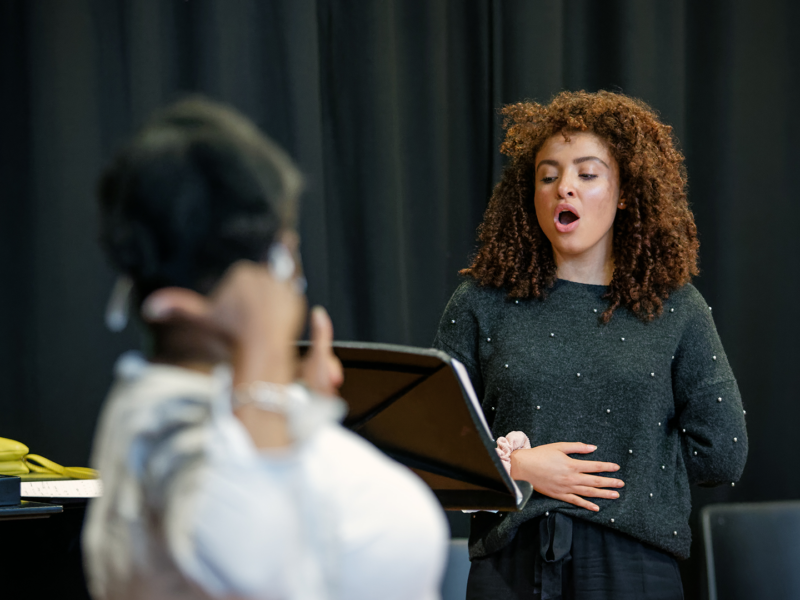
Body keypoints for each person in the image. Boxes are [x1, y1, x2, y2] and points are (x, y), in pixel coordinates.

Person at [82, 97, 448, 600]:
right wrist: (265, 349)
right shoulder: (169, 422)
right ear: (267, 266)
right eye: (285, 247)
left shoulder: (225, 398)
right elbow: (258, 570)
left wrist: (301, 400)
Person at [433, 90, 747, 599]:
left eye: (587, 173)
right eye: (548, 175)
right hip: (510, 567)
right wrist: (519, 468)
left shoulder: (676, 307)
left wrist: (618, 480)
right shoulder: (480, 301)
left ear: (624, 191)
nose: (565, 189)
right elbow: (435, 443)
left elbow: (723, 452)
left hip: (635, 568)